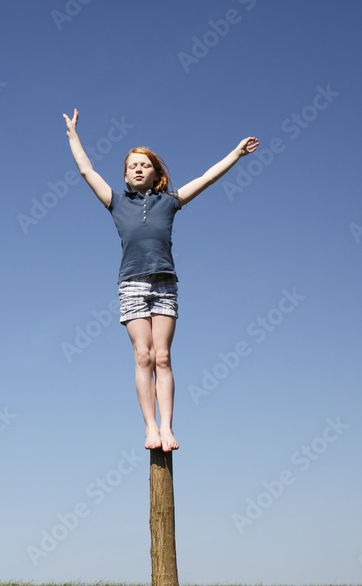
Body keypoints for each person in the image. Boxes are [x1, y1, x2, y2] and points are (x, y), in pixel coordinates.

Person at [63, 108, 258, 452]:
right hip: (132, 283)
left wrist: (236, 153)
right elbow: (86, 170)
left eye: (145, 165)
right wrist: (73, 135)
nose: (138, 169)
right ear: (125, 176)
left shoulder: (169, 202)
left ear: (156, 175)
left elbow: (206, 178)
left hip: (165, 284)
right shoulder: (116, 202)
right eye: (132, 166)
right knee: (143, 356)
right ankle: (150, 428)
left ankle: (167, 427)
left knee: (163, 357)